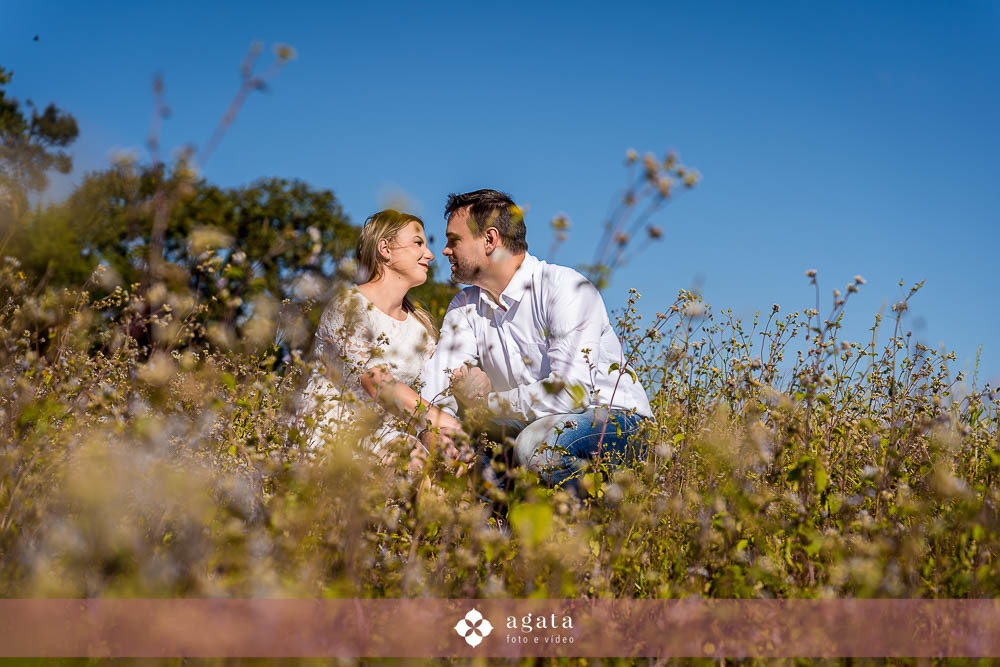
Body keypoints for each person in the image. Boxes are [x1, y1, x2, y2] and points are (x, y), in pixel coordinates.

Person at [419, 189, 652, 490]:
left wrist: (486, 404)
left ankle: (590, 528)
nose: (445, 251)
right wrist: (435, 435)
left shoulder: (565, 288)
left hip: (616, 420)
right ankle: (490, 533)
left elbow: (571, 394)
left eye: (454, 240)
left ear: (490, 240)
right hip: (530, 422)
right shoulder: (464, 305)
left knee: (536, 447)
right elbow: (440, 377)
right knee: (474, 449)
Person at [299, 209, 462, 461]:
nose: (429, 255)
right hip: (336, 432)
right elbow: (377, 381)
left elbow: (433, 391)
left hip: (391, 435)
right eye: (418, 243)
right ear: (385, 249)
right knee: (409, 459)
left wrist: (442, 434)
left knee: (436, 466)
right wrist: (440, 420)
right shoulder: (348, 306)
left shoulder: (421, 327)